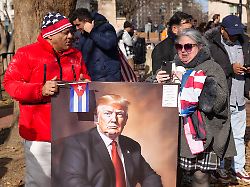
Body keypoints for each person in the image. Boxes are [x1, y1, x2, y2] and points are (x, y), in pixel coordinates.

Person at [3, 12, 90, 186]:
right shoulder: (26, 54)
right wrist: (40, 89)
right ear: (49, 35)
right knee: (40, 182)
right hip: (40, 135)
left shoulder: (76, 55)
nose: (71, 36)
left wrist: (85, 83)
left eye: (71, 31)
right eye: (65, 33)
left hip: (72, 132)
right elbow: (10, 83)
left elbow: (85, 79)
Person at [156, 28, 236, 186]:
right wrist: (156, 81)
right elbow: (154, 102)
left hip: (203, 134)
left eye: (188, 46)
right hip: (174, 134)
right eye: (179, 47)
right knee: (173, 176)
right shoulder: (172, 68)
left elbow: (217, 102)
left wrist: (188, 80)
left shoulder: (211, 68)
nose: (183, 51)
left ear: (200, 46)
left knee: (200, 178)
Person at [58, 94, 163, 187]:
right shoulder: (77, 144)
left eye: (119, 114)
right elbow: (72, 181)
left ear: (126, 119)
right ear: (96, 119)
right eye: (108, 113)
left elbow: (150, 177)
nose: (114, 119)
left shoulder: (132, 145)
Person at [206, 15, 250, 183]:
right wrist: (230, 69)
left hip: (239, 98)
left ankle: (238, 168)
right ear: (222, 30)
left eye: (237, 33)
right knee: (221, 136)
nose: (234, 36)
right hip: (221, 98)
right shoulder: (212, 46)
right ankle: (220, 167)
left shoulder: (245, 43)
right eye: (231, 33)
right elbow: (210, 69)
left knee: (239, 135)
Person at [69, 8, 121, 81]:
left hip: (108, 78)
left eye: (78, 25)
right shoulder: (82, 34)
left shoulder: (106, 27)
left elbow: (109, 44)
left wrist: (92, 31)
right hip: (91, 78)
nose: (77, 28)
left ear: (86, 21)